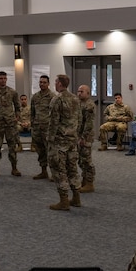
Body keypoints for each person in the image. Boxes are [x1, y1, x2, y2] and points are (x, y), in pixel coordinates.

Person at [47, 74, 81, 211]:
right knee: (72, 169)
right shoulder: (75, 98)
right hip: (72, 140)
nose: (55, 84)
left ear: (60, 84)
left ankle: (64, 201)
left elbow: (53, 122)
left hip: (60, 141)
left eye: (56, 82)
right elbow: (79, 118)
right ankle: (77, 197)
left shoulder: (57, 99)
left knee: (59, 169)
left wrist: (49, 139)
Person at [30, 75, 55, 178]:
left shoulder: (52, 97)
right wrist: (33, 124)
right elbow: (32, 112)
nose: (42, 84)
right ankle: (43, 171)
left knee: (50, 151)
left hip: (48, 129)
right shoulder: (35, 97)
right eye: (40, 82)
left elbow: (55, 114)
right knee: (40, 151)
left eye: (44, 82)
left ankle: (54, 173)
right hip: (37, 128)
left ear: (48, 84)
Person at [76, 84, 97, 193]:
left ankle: (90, 183)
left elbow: (89, 124)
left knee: (86, 160)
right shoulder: (79, 103)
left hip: (86, 137)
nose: (79, 93)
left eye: (82, 92)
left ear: (88, 93)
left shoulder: (89, 105)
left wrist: (83, 137)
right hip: (78, 135)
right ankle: (84, 179)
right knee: (80, 160)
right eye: (78, 91)